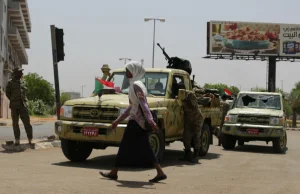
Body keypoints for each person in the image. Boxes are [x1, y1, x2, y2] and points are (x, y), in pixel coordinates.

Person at [99, 61, 167, 183]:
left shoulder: (136, 85)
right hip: (136, 121)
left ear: (135, 71)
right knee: (146, 147)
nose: (126, 73)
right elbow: (132, 106)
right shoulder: (134, 85)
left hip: (136, 122)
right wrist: (117, 121)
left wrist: (151, 121)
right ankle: (160, 172)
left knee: (124, 146)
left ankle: (114, 172)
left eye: (128, 71)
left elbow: (144, 105)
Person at [6, 67, 33, 146]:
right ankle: (17, 139)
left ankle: (30, 138)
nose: (22, 73)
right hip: (14, 106)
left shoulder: (23, 82)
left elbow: (25, 93)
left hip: (23, 105)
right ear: (15, 73)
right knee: (15, 123)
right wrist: (14, 99)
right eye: (20, 71)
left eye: (21, 71)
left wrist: (26, 101)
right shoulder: (10, 83)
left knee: (27, 123)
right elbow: (8, 94)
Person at [180, 90, 203, 163]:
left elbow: (193, 105)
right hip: (189, 121)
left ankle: (196, 156)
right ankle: (187, 154)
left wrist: (184, 101)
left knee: (196, 137)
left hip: (196, 120)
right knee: (186, 137)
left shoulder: (190, 94)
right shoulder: (183, 98)